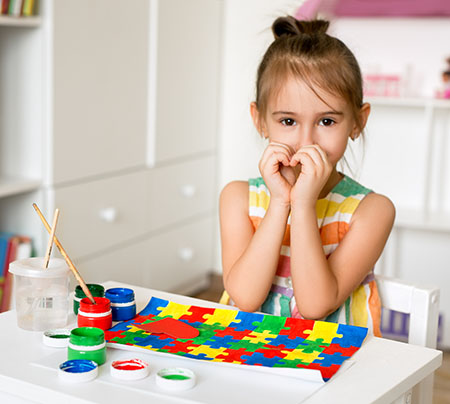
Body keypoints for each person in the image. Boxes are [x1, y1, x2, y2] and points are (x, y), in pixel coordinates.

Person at [219, 16, 395, 336]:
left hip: (336, 367)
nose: (306, 141)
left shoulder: (372, 211)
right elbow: (244, 298)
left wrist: (302, 205)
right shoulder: (237, 198)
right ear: (259, 120)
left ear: (358, 121)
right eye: (288, 121)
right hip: (249, 356)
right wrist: (279, 203)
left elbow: (315, 306)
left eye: (326, 121)